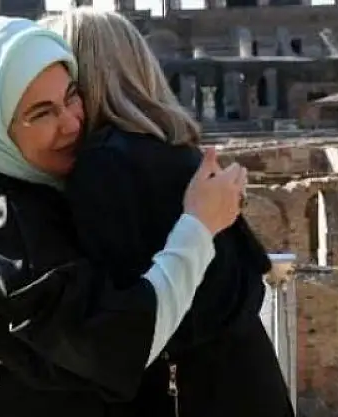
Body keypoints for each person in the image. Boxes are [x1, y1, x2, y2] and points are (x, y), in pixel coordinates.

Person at [0, 15, 248, 417]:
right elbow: (118, 349)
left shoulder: (36, 185)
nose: (71, 123)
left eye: (72, 95)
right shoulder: (11, 222)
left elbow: (55, 352)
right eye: (41, 113)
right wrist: (198, 227)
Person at [40, 8, 294, 417]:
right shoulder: (172, 150)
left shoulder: (104, 164)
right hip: (246, 375)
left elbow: (125, 320)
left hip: (193, 393)